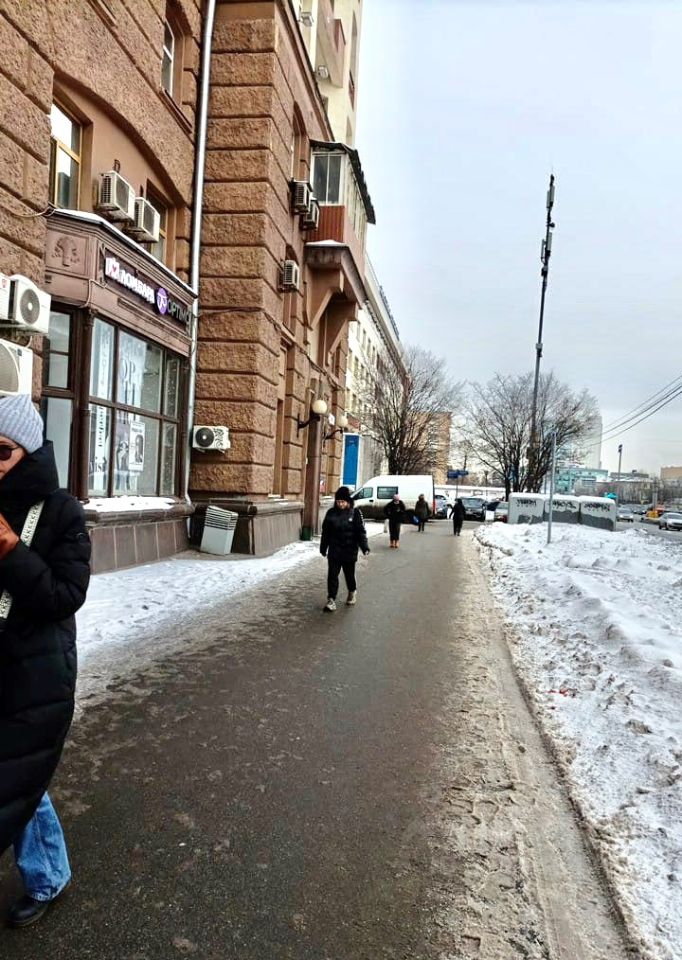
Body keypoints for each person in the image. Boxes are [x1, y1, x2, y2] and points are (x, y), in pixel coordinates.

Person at [0, 394, 91, 928]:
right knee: (17, 774)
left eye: (2, 451)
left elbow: (65, 595)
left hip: (36, 672)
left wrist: (12, 551)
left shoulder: (61, 511)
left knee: (19, 775)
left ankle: (47, 874)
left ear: (28, 451)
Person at [320, 485, 369, 612]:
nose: (340, 504)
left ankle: (352, 591)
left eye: (343, 501)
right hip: (335, 550)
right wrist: (323, 547)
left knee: (349, 575)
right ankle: (331, 600)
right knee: (332, 575)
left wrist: (364, 547)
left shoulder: (355, 513)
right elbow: (326, 533)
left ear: (348, 501)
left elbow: (360, 532)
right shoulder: (331, 513)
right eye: (338, 502)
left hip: (349, 551)